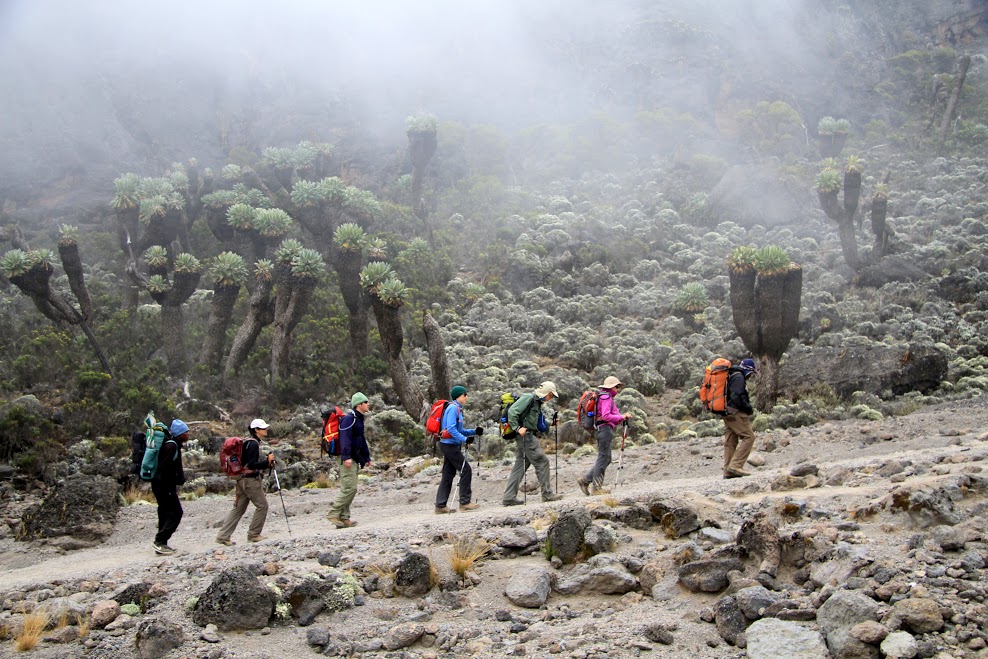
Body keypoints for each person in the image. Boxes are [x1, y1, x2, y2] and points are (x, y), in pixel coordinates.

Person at [215, 419, 276, 545]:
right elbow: (252, 464)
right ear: (256, 430)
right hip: (250, 481)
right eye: (263, 428)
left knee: (238, 509)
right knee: (262, 506)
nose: (266, 430)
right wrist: (267, 462)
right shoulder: (253, 444)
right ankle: (254, 534)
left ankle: (223, 537)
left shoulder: (247, 442)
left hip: (241, 480)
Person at [502, 381, 563, 506]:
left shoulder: (536, 402)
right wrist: (518, 428)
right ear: (546, 393)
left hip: (525, 436)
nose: (550, 398)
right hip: (526, 436)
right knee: (542, 461)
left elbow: (535, 421)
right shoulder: (529, 398)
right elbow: (512, 412)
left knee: (520, 465)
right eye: (550, 395)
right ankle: (547, 494)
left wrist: (550, 424)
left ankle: (509, 497)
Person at [577, 376, 633, 495]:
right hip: (604, 429)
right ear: (611, 387)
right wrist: (621, 417)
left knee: (606, 458)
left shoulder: (604, 397)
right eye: (617, 387)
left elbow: (611, 415)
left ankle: (586, 480)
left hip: (602, 429)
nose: (618, 389)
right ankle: (597, 488)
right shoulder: (606, 397)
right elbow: (606, 416)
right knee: (603, 457)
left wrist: (620, 418)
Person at [327, 392, 372, 528]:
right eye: (365, 402)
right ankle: (333, 513)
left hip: (354, 457)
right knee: (349, 488)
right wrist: (346, 456)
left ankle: (344, 517)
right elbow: (345, 438)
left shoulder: (358, 419)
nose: (368, 404)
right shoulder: (349, 419)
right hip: (347, 458)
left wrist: (366, 457)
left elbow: (361, 439)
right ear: (359, 405)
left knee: (350, 487)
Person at [435, 385, 483, 514]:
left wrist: (474, 432)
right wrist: (464, 439)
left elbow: (459, 430)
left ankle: (440, 505)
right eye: (464, 395)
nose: (466, 397)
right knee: (465, 469)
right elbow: (451, 428)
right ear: (458, 396)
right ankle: (465, 502)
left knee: (448, 474)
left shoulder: (457, 409)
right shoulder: (453, 408)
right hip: (449, 445)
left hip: (449, 444)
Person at [151, 419, 190, 555]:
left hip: (161, 485)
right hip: (164, 485)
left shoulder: (173, 445)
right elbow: (164, 467)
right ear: (180, 434)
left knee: (164, 513)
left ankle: (162, 545)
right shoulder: (171, 446)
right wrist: (170, 483)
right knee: (176, 513)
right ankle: (160, 541)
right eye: (186, 432)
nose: (188, 434)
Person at [723, 358, 758, 479]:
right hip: (735, 412)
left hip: (726, 412)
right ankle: (736, 465)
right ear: (748, 371)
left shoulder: (731, 375)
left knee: (731, 440)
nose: (751, 377)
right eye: (751, 374)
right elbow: (736, 395)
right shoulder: (739, 377)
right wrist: (748, 408)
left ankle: (728, 470)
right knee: (749, 437)